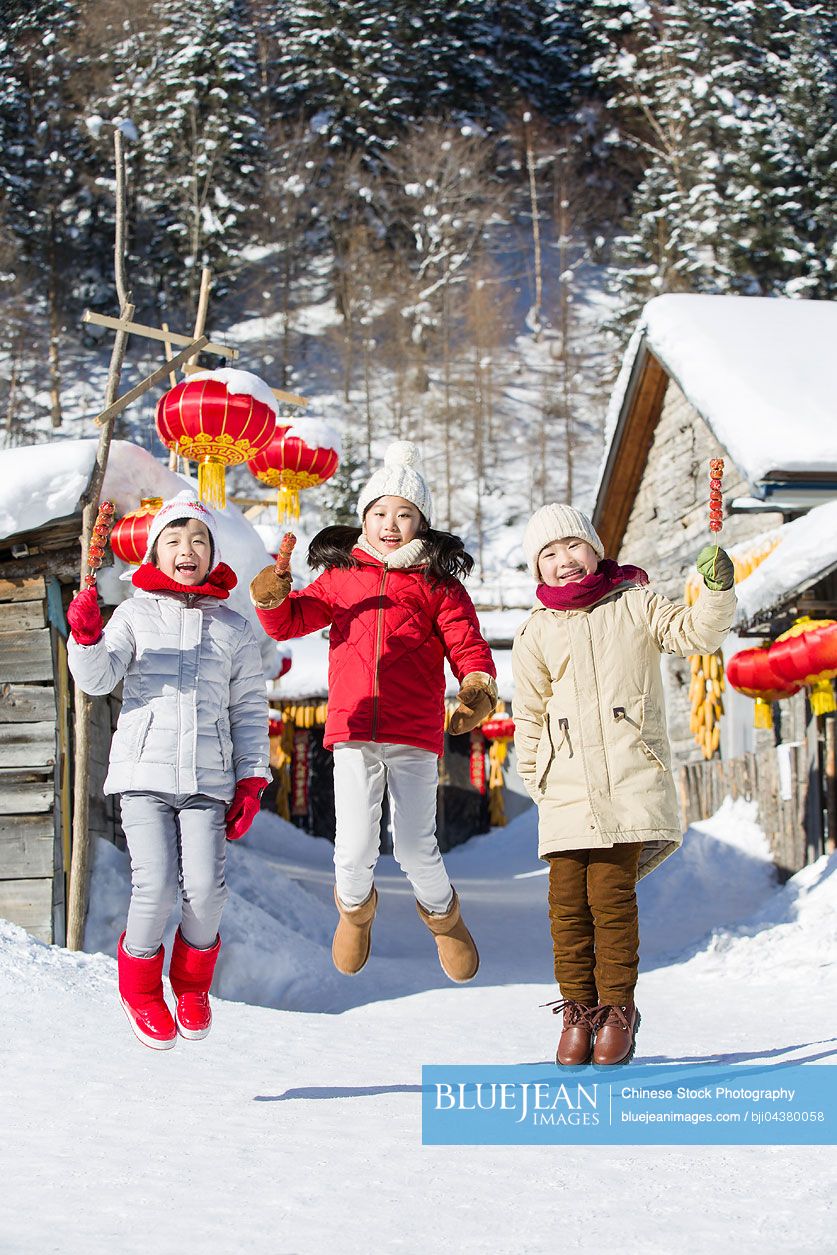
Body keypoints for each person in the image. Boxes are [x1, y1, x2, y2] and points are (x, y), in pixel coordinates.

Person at [250, 441, 496, 983]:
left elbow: (467, 644)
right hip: (354, 724)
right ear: (364, 518)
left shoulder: (438, 584)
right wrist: (273, 599)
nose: (391, 523)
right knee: (355, 843)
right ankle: (355, 912)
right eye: (380, 512)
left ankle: (444, 918)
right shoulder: (341, 576)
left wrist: (477, 685)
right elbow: (294, 621)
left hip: (415, 729)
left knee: (413, 844)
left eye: (405, 514)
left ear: (422, 524)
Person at [511, 504, 736, 1066]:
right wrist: (536, 776)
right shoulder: (536, 630)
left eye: (573, 547)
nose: (564, 561)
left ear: (596, 550)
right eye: (549, 554)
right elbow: (529, 712)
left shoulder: (637, 604)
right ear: (537, 569)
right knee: (565, 907)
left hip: (628, 781)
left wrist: (714, 590)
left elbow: (696, 633)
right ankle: (577, 1013)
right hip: (564, 789)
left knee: (610, 902)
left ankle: (617, 1012)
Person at [66, 492, 269, 1050]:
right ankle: (139, 990)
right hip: (144, 777)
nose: (188, 549)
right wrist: (85, 638)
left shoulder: (233, 627)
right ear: (156, 552)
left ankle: (190, 984)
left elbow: (249, 709)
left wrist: (252, 779)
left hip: (208, 781)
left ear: (212, 553)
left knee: (206, 892)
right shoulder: (133, 613)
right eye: (175, 540)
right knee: (153, 888)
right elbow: (99, 677)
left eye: (199, 539)